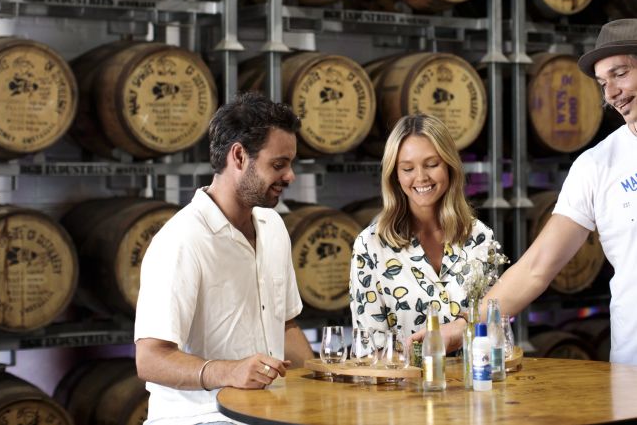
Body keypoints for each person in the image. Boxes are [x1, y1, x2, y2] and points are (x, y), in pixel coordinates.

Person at [411, 19, 637, 364]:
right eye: (603, 83)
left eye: (620, 74)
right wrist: (461, 327)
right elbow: (536, 267)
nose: (611, 93)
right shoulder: (596, 165)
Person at [135, 92, 314, 425]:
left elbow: (285, 326)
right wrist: (230, 371)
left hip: (266, 412)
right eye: (278, 164)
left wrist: (323, 379)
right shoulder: (181, 241)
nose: (290, 176)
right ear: (239, 156)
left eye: (290, 164)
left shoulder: (273, 226)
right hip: (200, 417)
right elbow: (150, 359)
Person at [349, 113, 499, 340]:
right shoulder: (370, 246)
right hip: (402, 376)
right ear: (395, 176)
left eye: (431, 164)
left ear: (449, 165)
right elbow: (370, 346)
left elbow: (494, 327)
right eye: (407, 169)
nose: (421, 177)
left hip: (474, 375)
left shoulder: (480, 237)